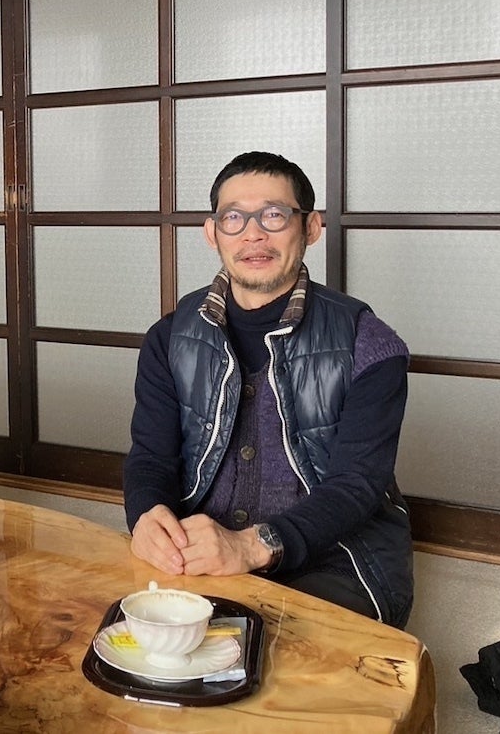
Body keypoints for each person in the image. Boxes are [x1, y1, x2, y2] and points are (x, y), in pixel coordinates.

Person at [123, 151, 413, 628]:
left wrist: (251, 546)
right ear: (212, 233)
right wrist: (147, 515)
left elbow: (356, 485)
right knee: (124, 636)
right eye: (233, 218)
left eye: (274, 215)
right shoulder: (170, 338)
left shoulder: (369, 344)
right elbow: (151, 457)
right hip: (200, 544)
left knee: (283, 654)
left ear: (311, 227)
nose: (253, 234)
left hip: (334, 557)